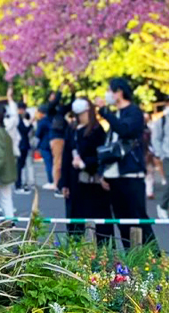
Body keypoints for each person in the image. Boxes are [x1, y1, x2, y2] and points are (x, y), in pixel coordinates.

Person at [100, 77, 157, 249]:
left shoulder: (134, 112)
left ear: (119, 92)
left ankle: (154, 261)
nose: (108, 94)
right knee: (122, 221)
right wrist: (103, 172)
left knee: (138, 218)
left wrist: (104, 112)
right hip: (114, 175)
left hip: (131, 173)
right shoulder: (115, 115)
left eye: (110, 90)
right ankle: (131, 259)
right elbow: (109, 146)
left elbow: (125, 131)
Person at [65, 98, 110, 241]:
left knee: (100, 223)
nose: (79, 117)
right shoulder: (72, 129)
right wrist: (63, 183)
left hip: (94, 183)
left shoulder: (97, 130)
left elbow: (101, 155)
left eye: (82, 113)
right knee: (75, 222)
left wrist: (85, 163)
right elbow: (66, 156)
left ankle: (105, 255)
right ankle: (75, 254)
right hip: (75, 182)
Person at [50, 106, 69, 198]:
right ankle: (57, 186)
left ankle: (58, 184)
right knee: (58, 163)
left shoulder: (57, 117)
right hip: (58, 139)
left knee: (58, 163)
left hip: (57, 139)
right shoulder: (54, 114)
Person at [14, 102, 34, 194]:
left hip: (22, 144)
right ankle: (18, 185)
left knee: (20, 165)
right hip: (21, 144)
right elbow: (24, 130)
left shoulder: (18, 118)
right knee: (19, 165)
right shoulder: (18, 119)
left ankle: (19, 183)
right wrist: (30, 123)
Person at [35, 104, 55, 189]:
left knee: (48, 164)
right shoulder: (52, 119)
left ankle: (51, 181)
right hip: (53, 143)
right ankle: (55, 180)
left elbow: (38, 134)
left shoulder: (42, 121)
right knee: (54, 163)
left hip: (44, 144)